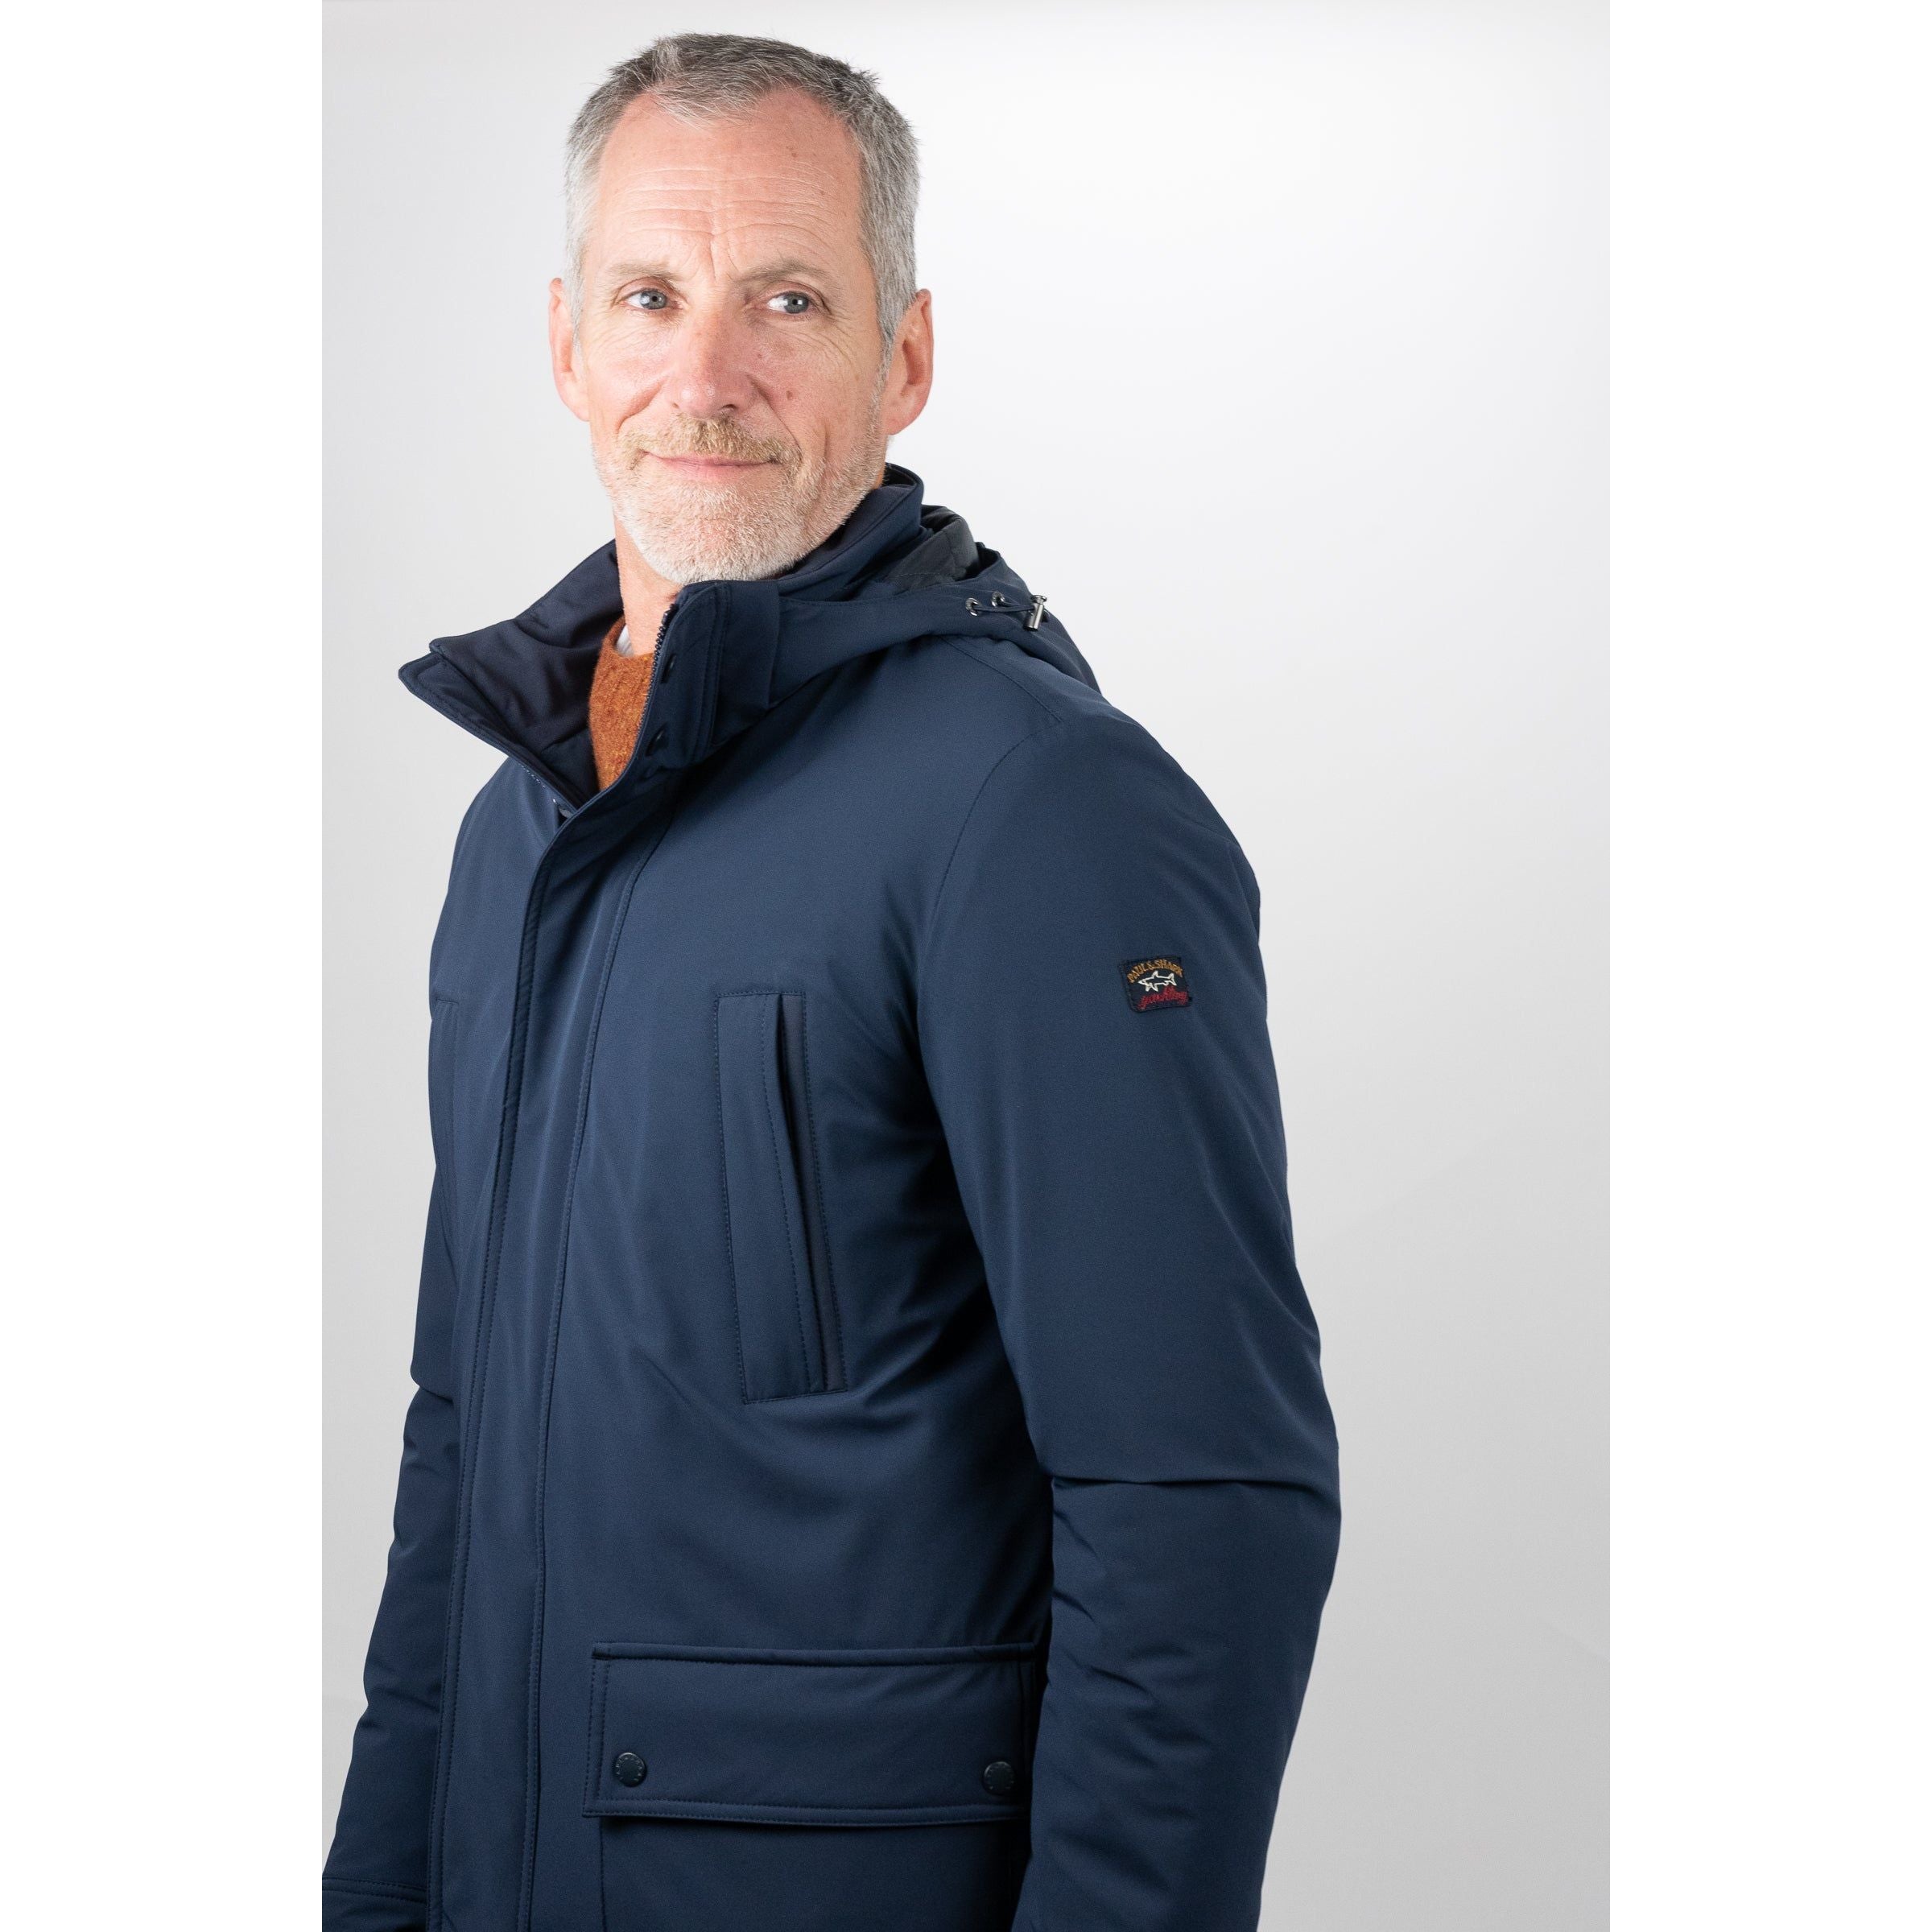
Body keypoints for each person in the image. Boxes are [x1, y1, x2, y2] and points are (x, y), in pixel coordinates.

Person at [324, 31, 1341, 1932]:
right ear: (567, 344)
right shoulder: (518, 832)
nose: (705, 377)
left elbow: (1200, 1496)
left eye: (787, 299)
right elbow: (462, 1434)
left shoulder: (1035, 808)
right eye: (650, 296)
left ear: (906, 355)